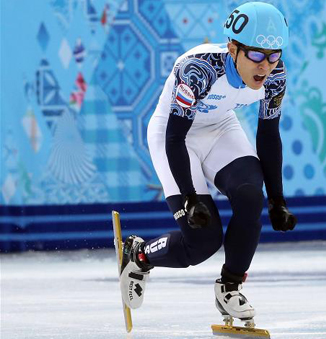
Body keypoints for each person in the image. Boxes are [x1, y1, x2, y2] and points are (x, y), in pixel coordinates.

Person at [119, 1, 297, 326]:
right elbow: (175, 137)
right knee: (202, 243)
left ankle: (230, 287)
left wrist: (277, 200)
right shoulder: (199, 70)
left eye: (274, 55)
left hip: (218, 128)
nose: (265, 66)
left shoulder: (276, 76)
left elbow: (268, 137)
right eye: (256, 55)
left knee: (250, 196)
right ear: (233, 48)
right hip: (173, 135)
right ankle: (140, 255)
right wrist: (189, 198)